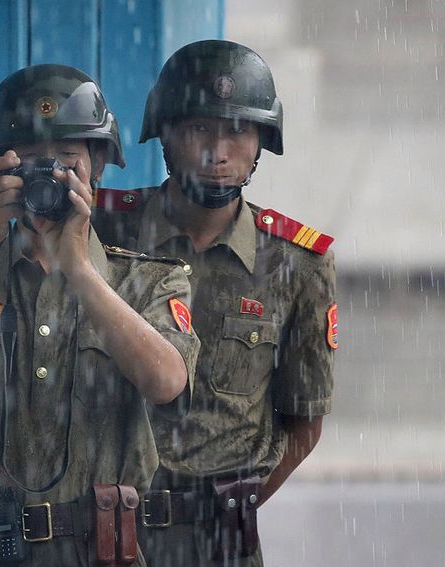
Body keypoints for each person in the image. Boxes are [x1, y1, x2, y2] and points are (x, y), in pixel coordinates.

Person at [0, 64, 199, 566]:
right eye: (28, 162)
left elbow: (168, 386)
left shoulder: (148, 282)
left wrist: (80, 271)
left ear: (97, 165)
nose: (48, 176)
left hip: (101, 553)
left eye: (66, 161)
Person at [92, 40, 337, 566]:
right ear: (166, 134)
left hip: (221, 544)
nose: (218, 151)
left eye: (237, 130)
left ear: (261, 143)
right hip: (98, 535)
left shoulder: (297, 263)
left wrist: (227, 510)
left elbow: (305, 424)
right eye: (199, 128)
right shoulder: (102, 231)